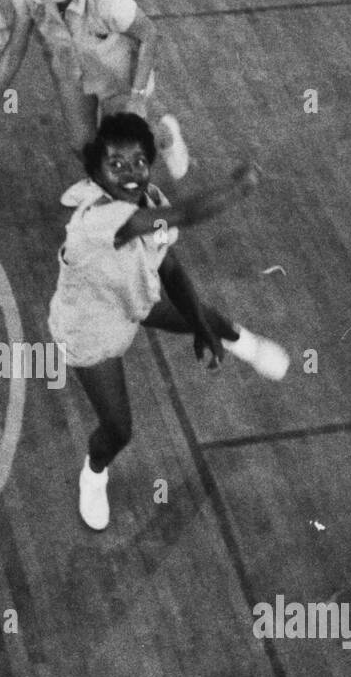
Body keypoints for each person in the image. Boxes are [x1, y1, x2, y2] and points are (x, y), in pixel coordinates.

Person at [47, 112, 290, 530]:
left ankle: (239, 341)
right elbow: (187, 214)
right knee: (119, 430)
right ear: (95, 172)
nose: (129, 173)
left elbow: (170, 268)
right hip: (90, 330)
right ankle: (94, 474)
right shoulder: (96, 219)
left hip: (133, 296)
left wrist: (199, 327)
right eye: (116, 165)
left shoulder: (151, 200)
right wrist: (239, 187)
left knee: (205, 315)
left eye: (139, 162)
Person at [0, 0, 190, 206]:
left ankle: (165, 137)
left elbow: (149, 34)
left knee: (123, 143)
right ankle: (98, 184)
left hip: (120, 75)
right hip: (72, 74)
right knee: (82, 145)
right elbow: (14, 51)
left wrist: (137, 99)